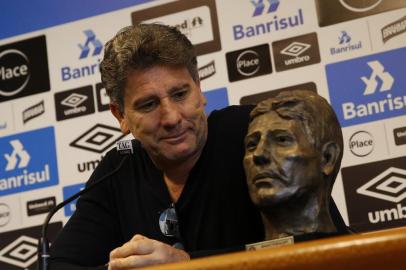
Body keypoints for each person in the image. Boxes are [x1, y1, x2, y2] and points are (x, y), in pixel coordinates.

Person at [49, 24, 347, 270]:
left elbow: (321, 246)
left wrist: (189, 264)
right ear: (121, 116)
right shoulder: (118, 168)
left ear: (199, 87)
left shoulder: (254, 135)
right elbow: (59, 266)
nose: (172, 117)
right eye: (149, 104)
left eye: (180, 94)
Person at [243, 90, 351, 242]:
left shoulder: (373, 259)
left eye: (282, 140)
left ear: (327, 158)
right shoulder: (230, 265)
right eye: (252, 144)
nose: (259, 154)